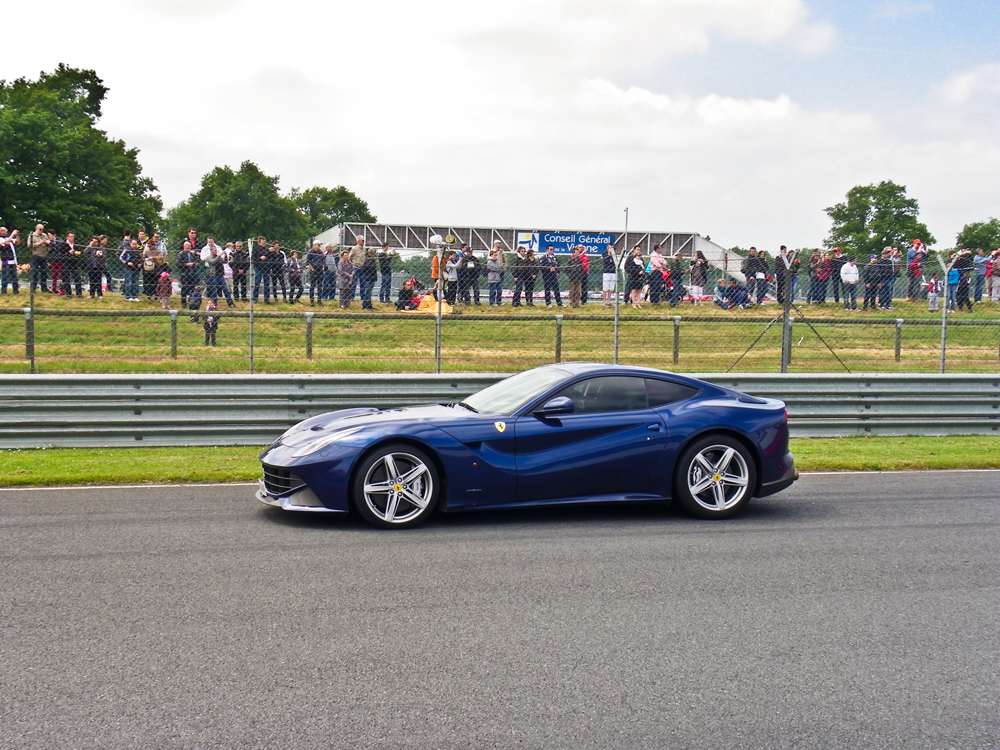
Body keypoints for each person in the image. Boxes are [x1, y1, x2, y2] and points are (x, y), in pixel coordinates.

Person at [27, 224, 51, 293]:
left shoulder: (44, 235)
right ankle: (33, 288)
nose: (41, 231)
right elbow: (29, 245)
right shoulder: (32, 236)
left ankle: (44, 288)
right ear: (36, 229)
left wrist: (48, 243)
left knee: (44, 272)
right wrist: (39, 243)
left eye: (42, 229)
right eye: (40, 229)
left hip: (43, 256)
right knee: (35, 272)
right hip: (35, 255)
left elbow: (49, 243)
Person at [63, 232, 84, 297]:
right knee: (66, 277)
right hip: (66, 262)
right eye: (71, 236)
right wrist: (68, 252)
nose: (72, 238)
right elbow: (60, 253)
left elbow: (81, 251)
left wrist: (76, 253)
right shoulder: (63, 244)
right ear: (67, 237)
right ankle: (68, 294)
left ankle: (79, 294)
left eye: (73, 236)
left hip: (74, 262)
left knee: (77, 277)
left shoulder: (76, 243)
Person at [0, 227, 19, 294]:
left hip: (12, 260)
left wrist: (17, 236)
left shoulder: (9, 238)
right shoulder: (1, 238)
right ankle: (3, 290)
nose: (6, 232)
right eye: (5, 231)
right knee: (5, 276)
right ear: (1, 231)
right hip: (6, 260)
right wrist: (12, 235)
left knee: (14, 276)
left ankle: (15, 290)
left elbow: (17, 242)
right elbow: (5, 243)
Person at [48, 230, 67, 295]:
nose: (49, 237)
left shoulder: (60, 241)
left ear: (54, 235)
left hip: (60, 260)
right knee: (54, 275)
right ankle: (54, 289)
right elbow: (51, 251)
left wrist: (50, 244)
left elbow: (59, 248)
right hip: (54, 260)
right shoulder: (51, 241)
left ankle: (65, 288)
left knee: (62, 275)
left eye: (49, 235)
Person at [348, 236, 366, 300]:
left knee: (363, 283)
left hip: (362, 268)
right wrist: (352, 264)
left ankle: (363, 296)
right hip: (355, 267)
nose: (363, 242)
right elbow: (349, 257)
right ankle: (352, 296)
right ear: (358, 241)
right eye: (362, 240)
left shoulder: (364, 249)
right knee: (354, 283)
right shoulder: (354, 249)